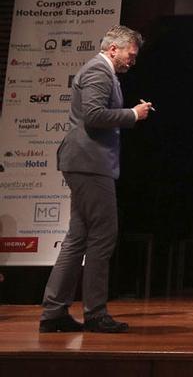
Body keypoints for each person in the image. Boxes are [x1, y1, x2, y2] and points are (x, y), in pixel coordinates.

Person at [39, 25, 152, 333]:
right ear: (113, 49)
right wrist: (132, 114)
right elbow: (93, 115)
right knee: (103, 235)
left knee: (77, 238)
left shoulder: (103, 72)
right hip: (89, 164)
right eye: (131, 54)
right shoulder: (98, 71)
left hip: (87, 162)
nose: (133, 61)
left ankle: (54, 312)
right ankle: (95, 313)